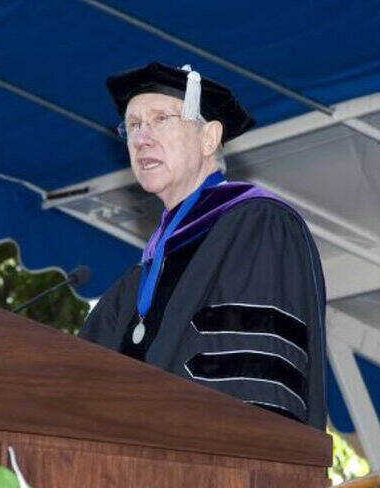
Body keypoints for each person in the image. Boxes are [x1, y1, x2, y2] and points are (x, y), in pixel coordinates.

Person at [80, 62, 326, 428]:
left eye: (161, 119)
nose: (142, 138)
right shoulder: (143, 275)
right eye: (132, 126)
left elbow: (257, 384)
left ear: (209, 138)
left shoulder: (258, 225)